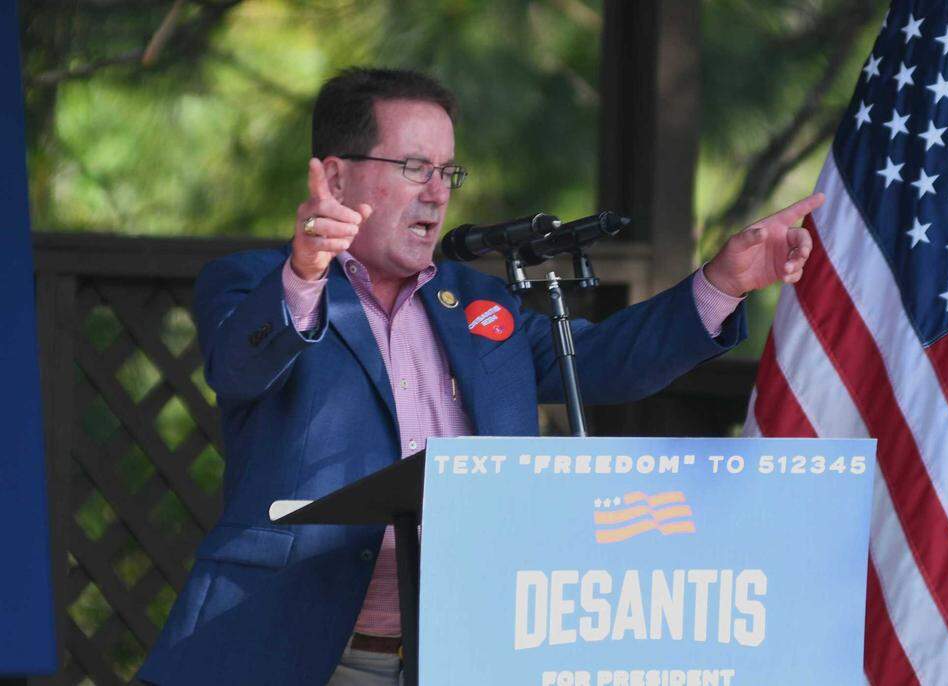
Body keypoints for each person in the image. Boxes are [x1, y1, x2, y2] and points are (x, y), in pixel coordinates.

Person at [138, 67, 821, 686]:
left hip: (463, 649)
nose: (438, 193)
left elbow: (606, 365)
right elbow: (238, 366)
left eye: (448, 172)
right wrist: (306, 273)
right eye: (414, 167)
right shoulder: (256, 284)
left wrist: (726, 282)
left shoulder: (476, 304)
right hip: (289, 645)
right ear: (337, 178)